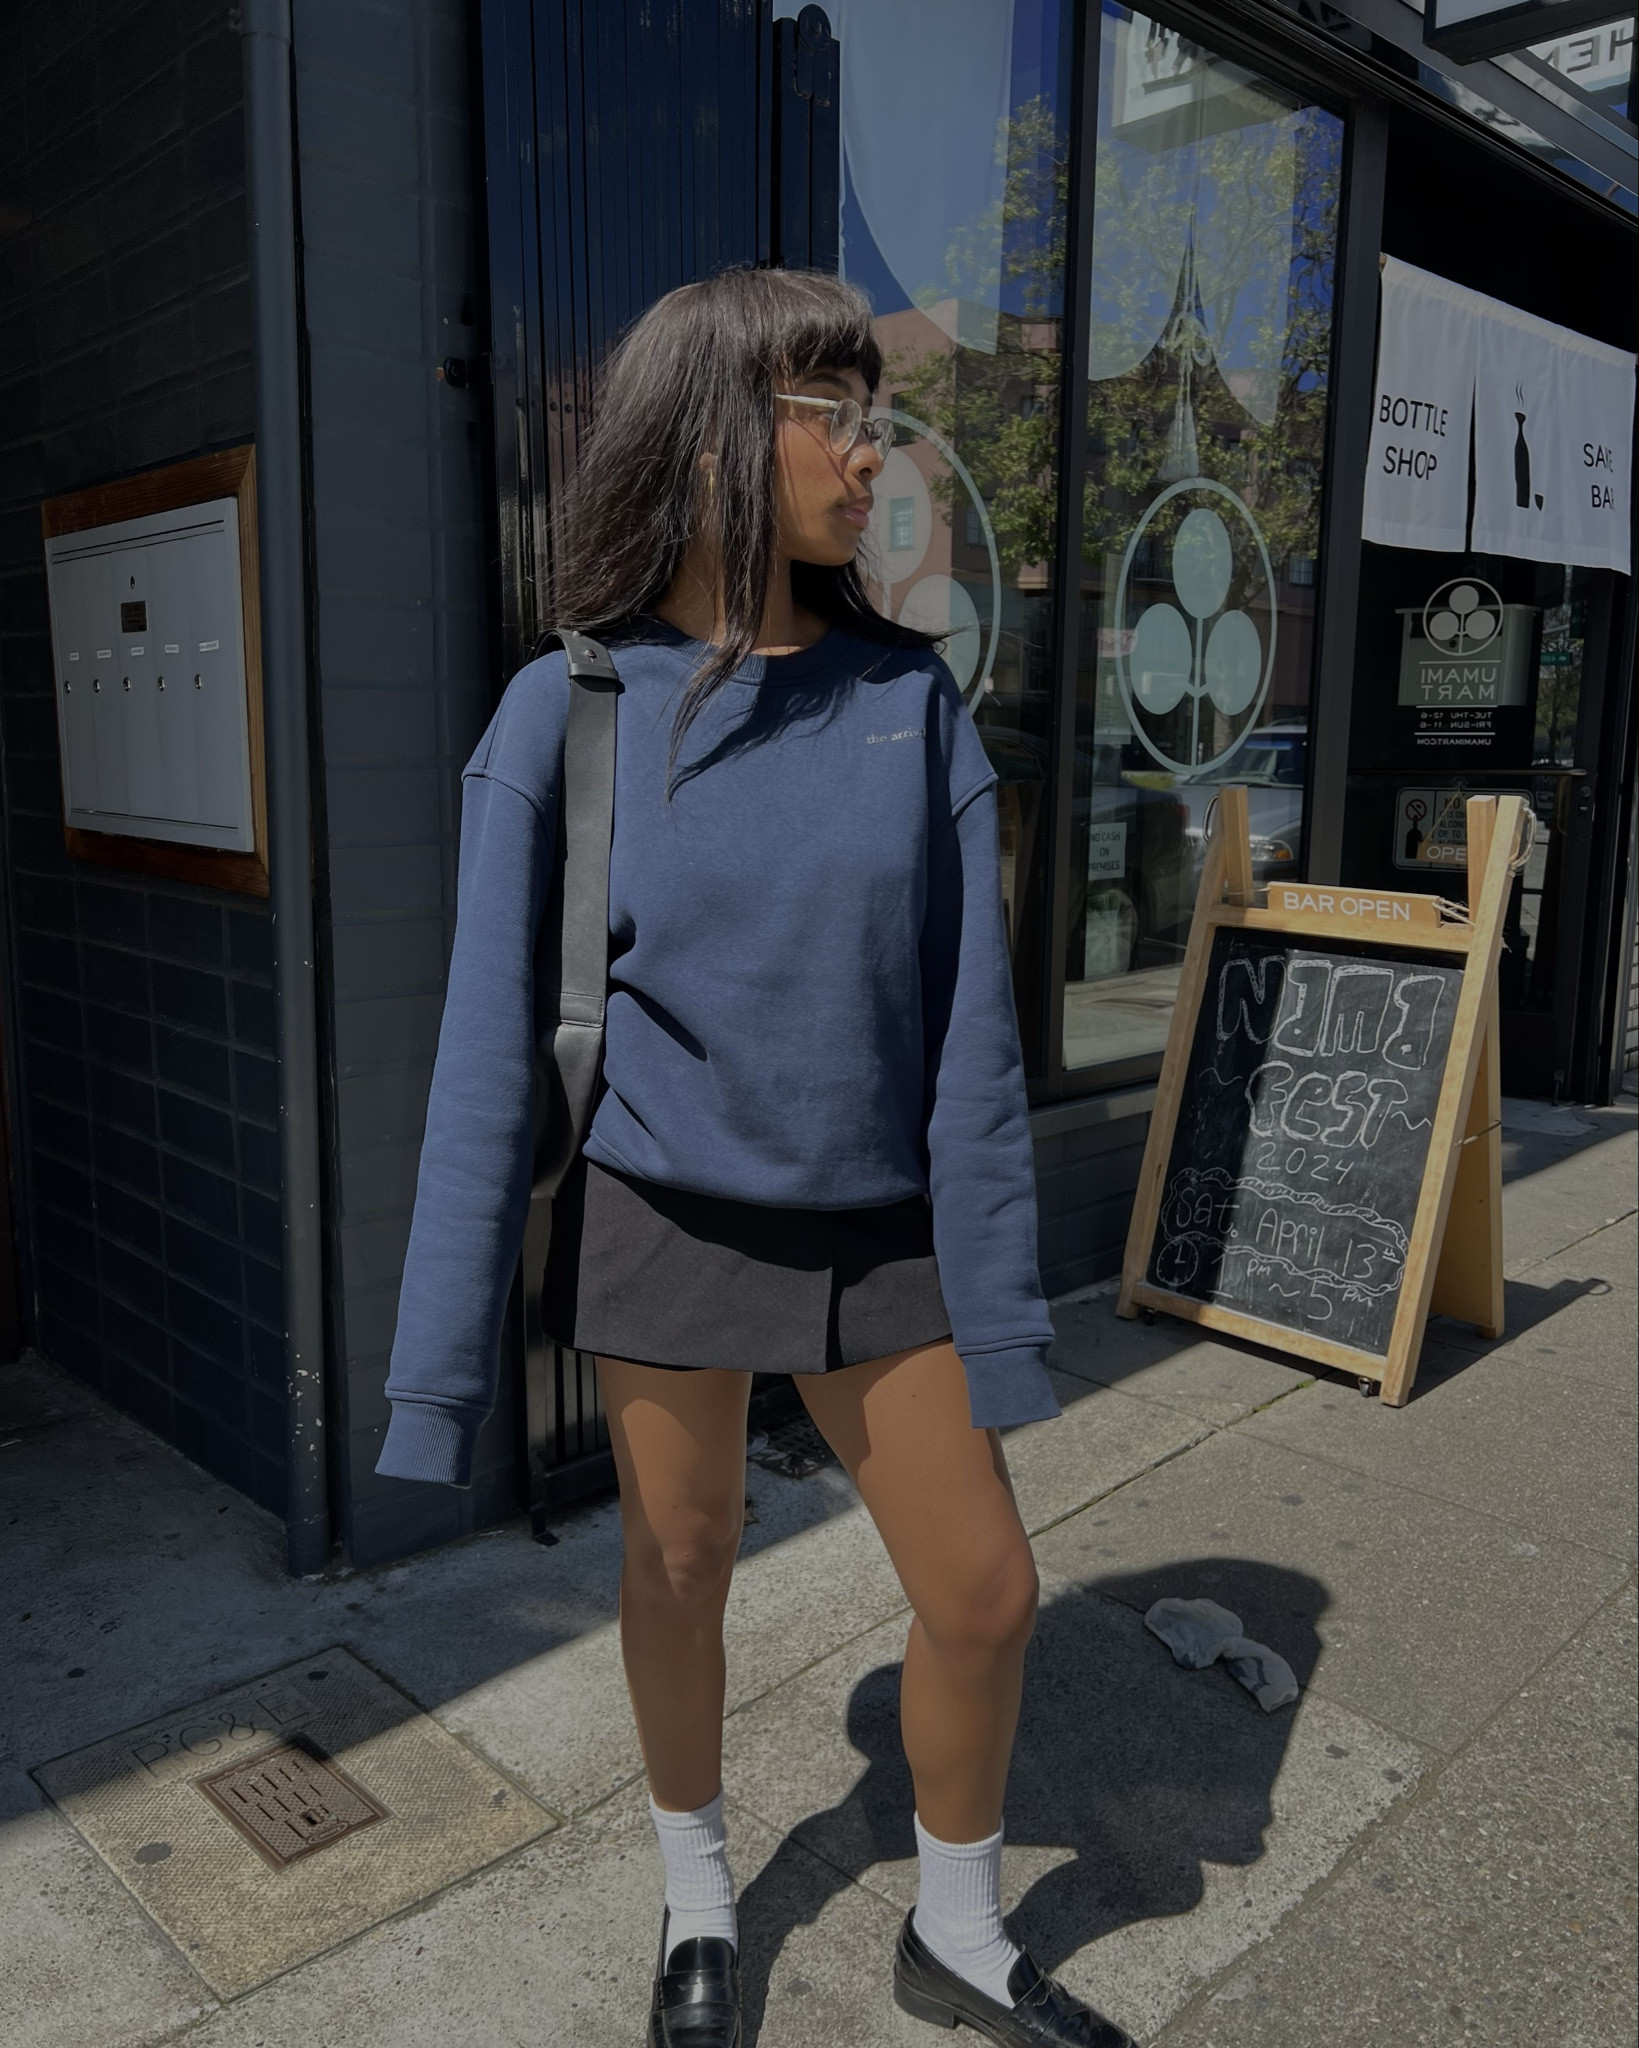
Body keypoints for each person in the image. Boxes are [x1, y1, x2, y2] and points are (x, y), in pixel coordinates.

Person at [377, 268, 1136, 2048]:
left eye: (874, 412)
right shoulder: (566, 714)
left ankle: (956, 1929)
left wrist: (1007, 1319)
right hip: (660, 1210)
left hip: (886, 1231)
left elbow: (970, 1044)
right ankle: (700, 1899)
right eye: (836, 412)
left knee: (985, 1588)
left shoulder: (907, 703)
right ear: (717, 423)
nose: (874, 454)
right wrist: (431, 1384)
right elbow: (483, 1063)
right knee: (682, 1561)